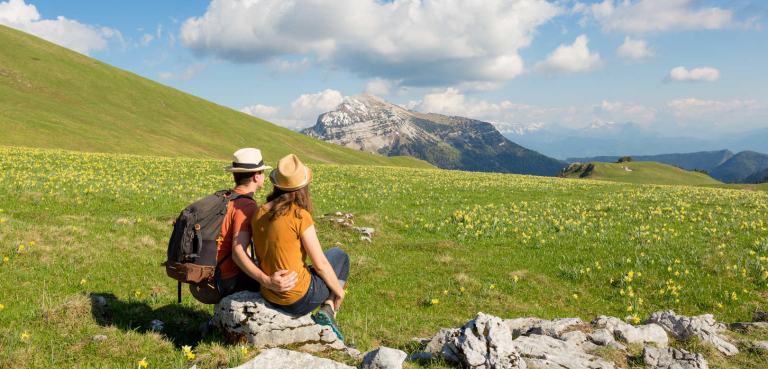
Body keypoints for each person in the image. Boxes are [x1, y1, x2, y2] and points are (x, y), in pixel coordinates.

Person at [251, 154, 349, 341]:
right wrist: (339, 292)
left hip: (268, 292)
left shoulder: (259, 213)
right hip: (297, 299)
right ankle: (329, 308)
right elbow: (320, 264)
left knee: (322, 266)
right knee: (339, 256)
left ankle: (328, 308)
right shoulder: (299, 215)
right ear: (302, 187)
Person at [191, 148, 299, 305]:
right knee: (278, 283)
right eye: (262, 172)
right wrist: (267, 281)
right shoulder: (246, 206)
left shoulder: (224, 198)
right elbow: (237, 253)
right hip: (219, 285)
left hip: (198, 280)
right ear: (256, 176)